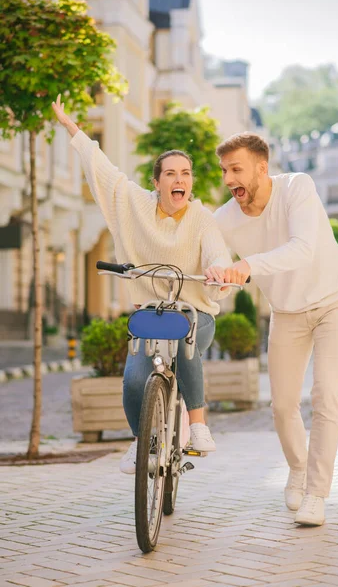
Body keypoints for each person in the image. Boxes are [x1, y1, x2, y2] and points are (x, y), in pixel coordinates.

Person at [52, 95, 232, 473]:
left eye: (185, 173)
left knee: (186, 349)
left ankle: (197, 427)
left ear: (192, 182)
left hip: (195, 313)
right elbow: (104, 170)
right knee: (135, 377)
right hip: (150, 313)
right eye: (170, 173)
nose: (178, 179)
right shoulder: (133, 204)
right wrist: (72, 128)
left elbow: (217, 253)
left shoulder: (202, 218)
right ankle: (140, 442)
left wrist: (219, 270)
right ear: (157, 181)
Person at [213, 132, 338, 526]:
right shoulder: (224, 219)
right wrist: (223, 281)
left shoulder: (298, 187)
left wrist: (246, 266)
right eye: (224, 170)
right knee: (281, 405)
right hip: (287, 312)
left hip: (334, 300)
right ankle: (296, 467)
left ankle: (316, 493)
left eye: (236, 169)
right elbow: (217, 267)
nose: (229, 179)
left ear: (262, 167)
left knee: (326, 393)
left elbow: (302, 248)